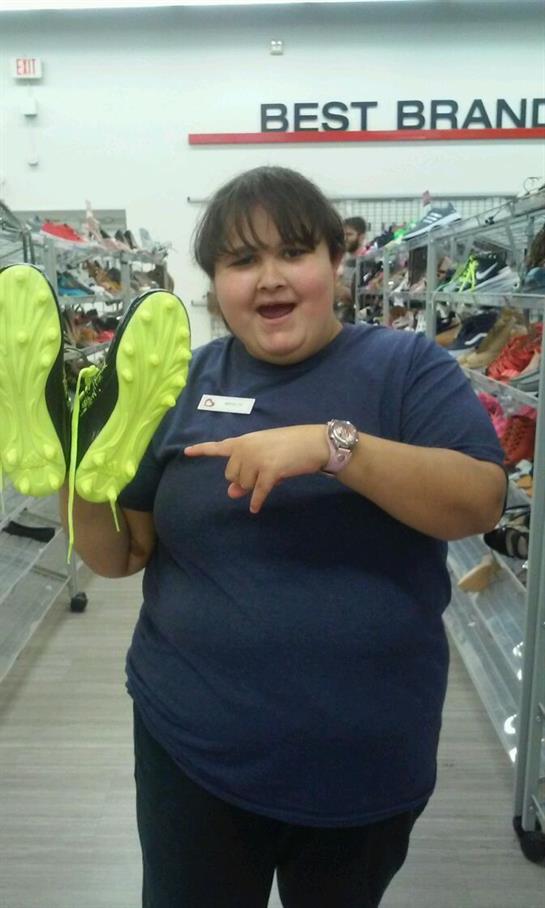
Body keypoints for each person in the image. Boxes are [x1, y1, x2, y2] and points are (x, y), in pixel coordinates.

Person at [61, 165, 506, 908]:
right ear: (215, 283)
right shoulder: (174, 384)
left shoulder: (404, 367)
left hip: (363, 758)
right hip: (190, 746)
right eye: (241, 261)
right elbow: (120, 555)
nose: (268, 278)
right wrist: (63, 459)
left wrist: (334, 448)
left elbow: (478, 502)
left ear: (335, 262)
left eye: (292, 252)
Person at [334, 215, 368, 322]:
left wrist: (337, 288)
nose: (345, 239)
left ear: (361, 237)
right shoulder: (345, 259)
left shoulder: (367, 260)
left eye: (349, 234)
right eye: (343, 235)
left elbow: (362, 297)